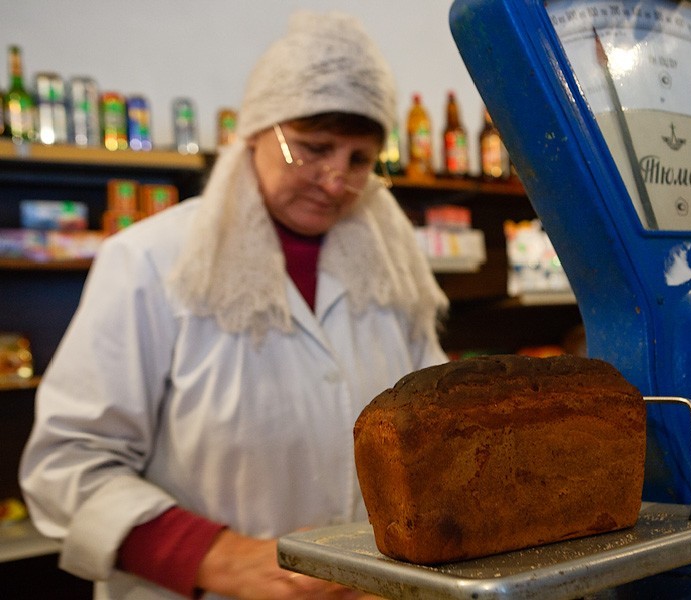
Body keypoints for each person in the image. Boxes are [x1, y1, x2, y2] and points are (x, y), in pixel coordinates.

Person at [19, 11, 448, 600]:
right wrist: (214, 557)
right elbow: (68, 463)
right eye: (314, 148)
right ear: (253, 131)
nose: (334, 180)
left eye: (359, 160)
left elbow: (429, 431)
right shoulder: (150, 261)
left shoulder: (396, 276)